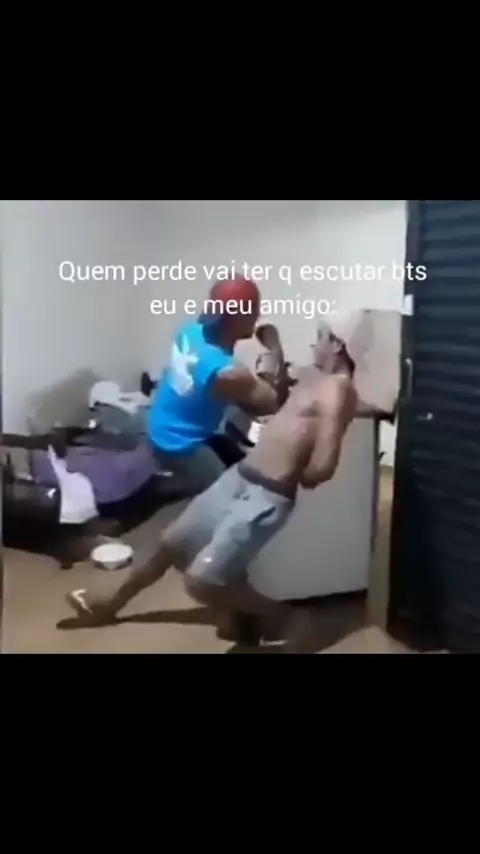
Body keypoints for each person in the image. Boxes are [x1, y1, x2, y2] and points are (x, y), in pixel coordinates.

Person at [65, 318, 359, 651]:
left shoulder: (339, 389)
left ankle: (289, 619)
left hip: (264, 496)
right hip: (238, 478)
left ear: (337, 344)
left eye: (320, 338)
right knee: (169, 545)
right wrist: (275, 349)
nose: (313, 345)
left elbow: (324, 465)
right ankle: (108, 607)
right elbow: (276, 402)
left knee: (201, 582)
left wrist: (290, 472)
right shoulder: (314, 377)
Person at [147, 275, 287, 496]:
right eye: (254, 310)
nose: (258, 315)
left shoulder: (190, 330)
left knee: (233, 424)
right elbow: (272, 402)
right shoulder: (227, 372)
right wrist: (274, 346)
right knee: (230, 494)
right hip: (179, 443)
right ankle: (164, 485)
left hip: (158, 424)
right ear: (238, 319)